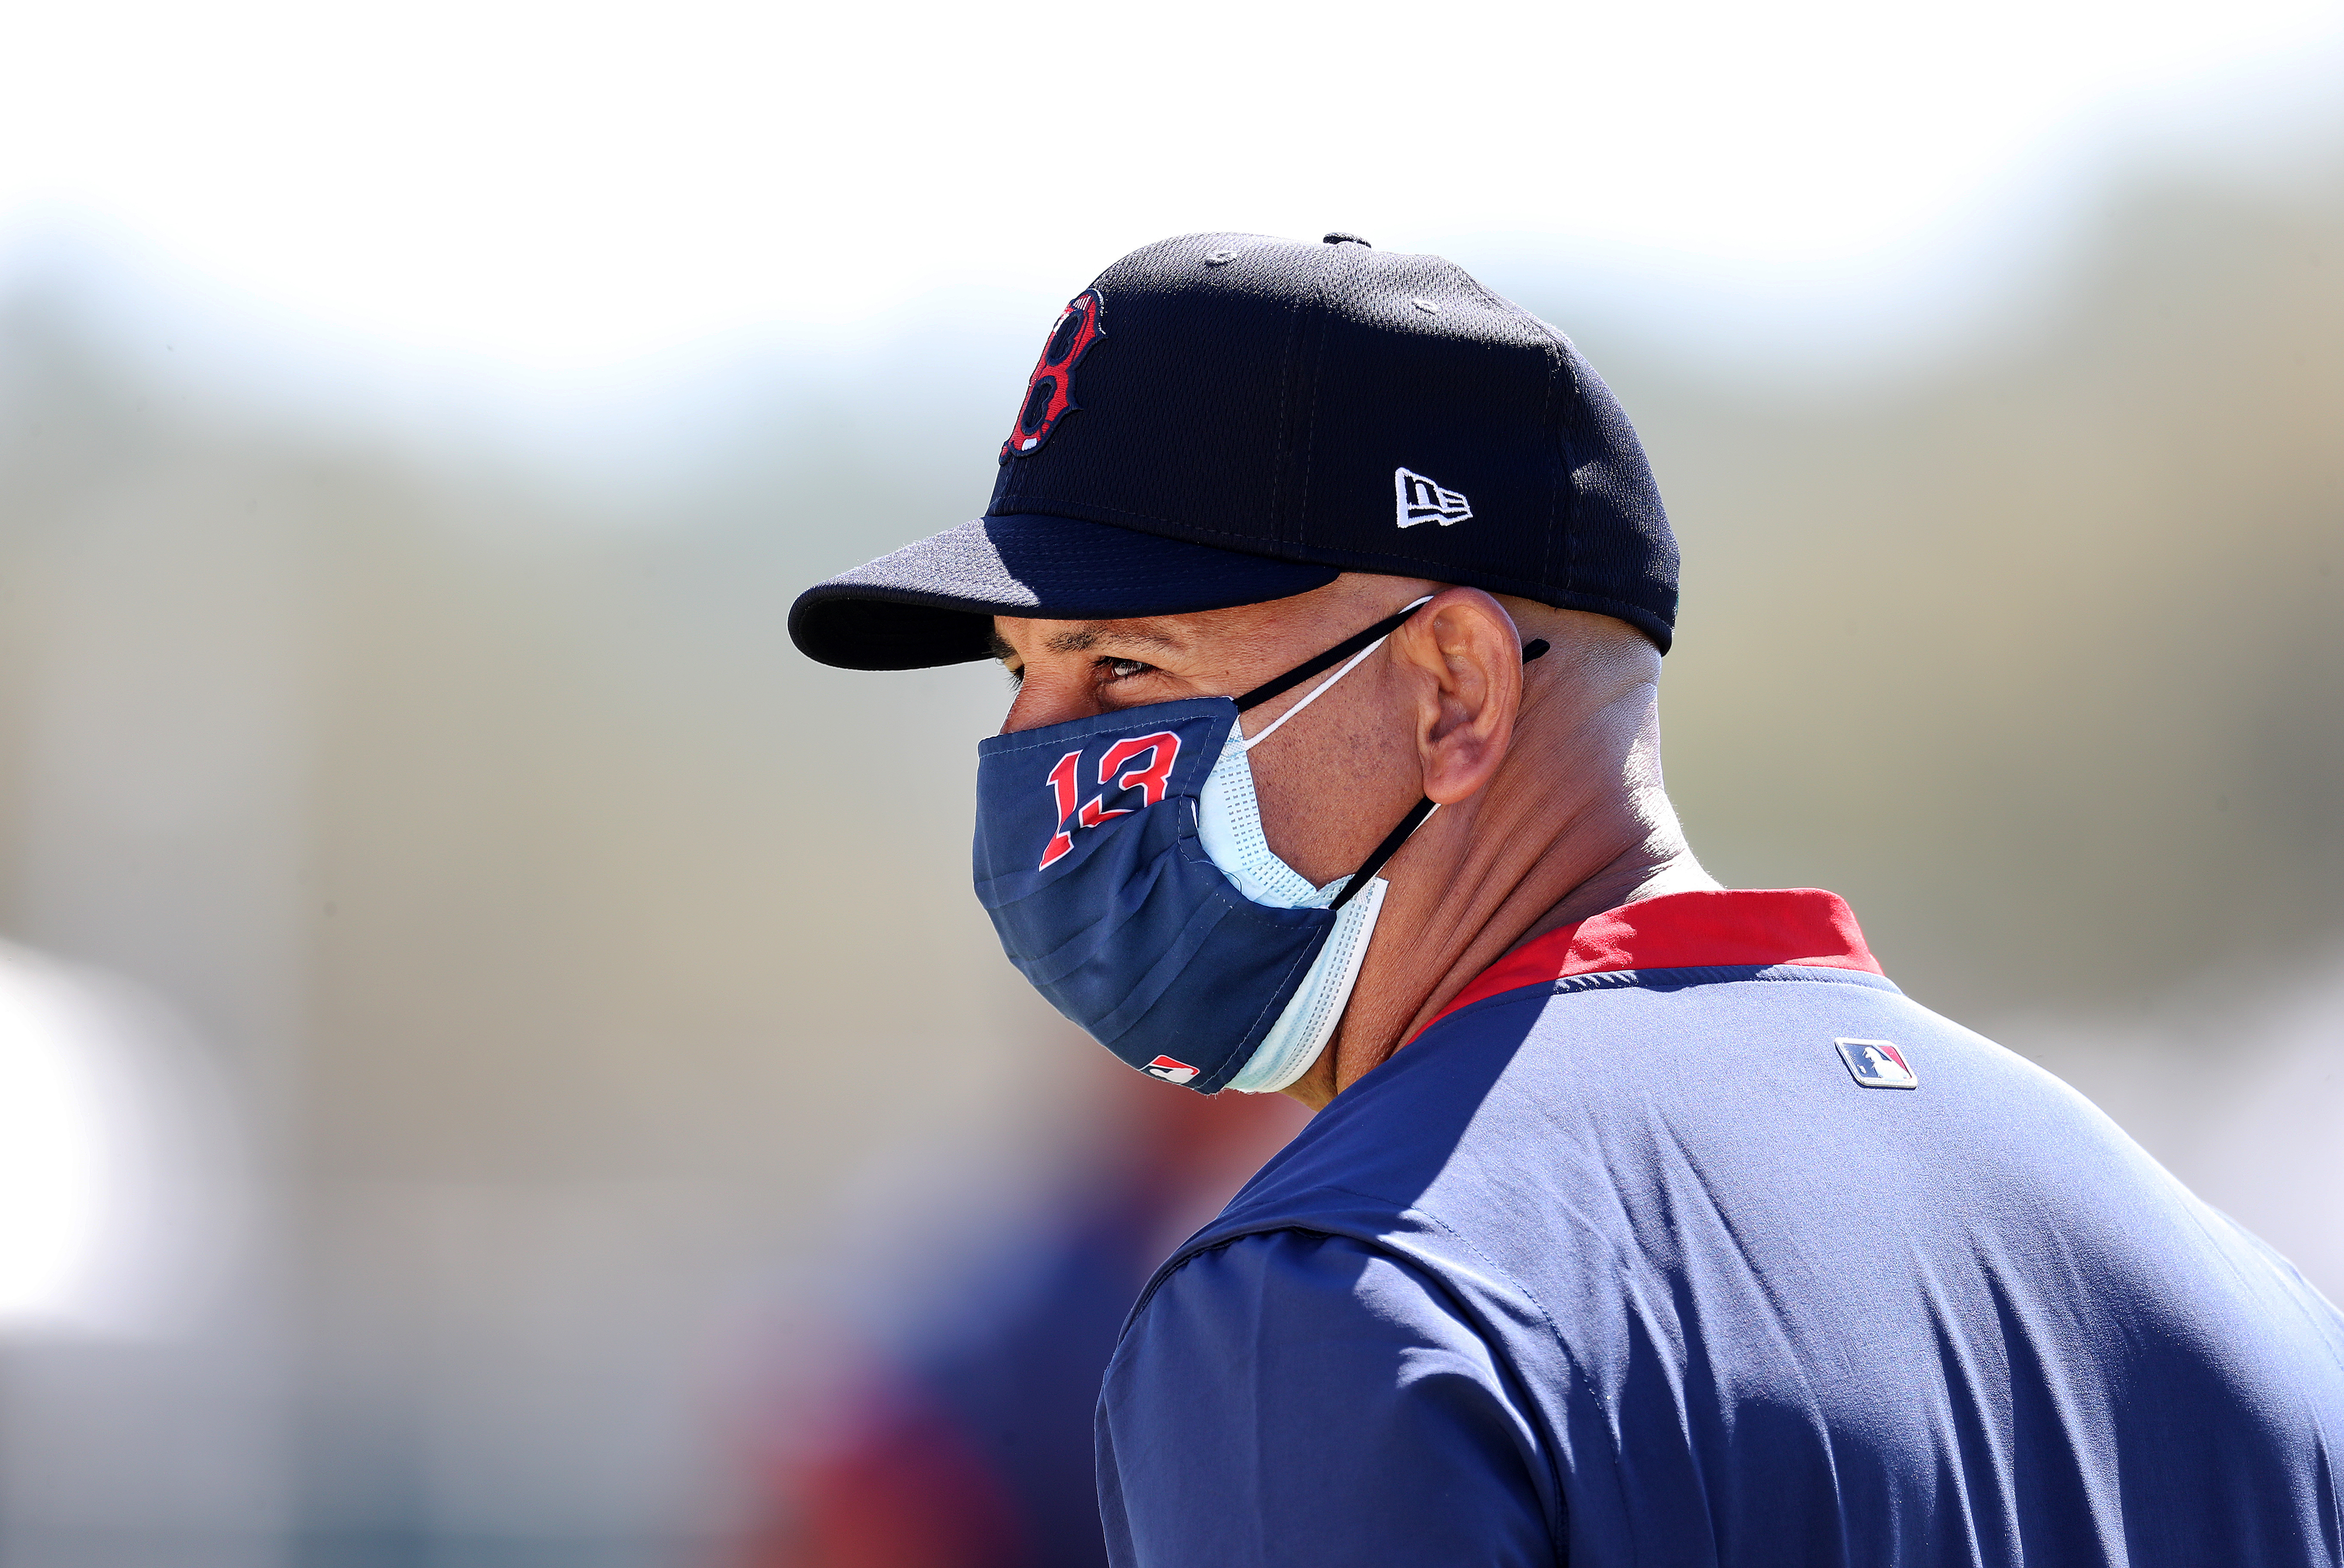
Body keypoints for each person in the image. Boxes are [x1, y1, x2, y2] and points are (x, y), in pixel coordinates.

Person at [788, 232, 2344, 1565]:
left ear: (1454, 691)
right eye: (1017, 678)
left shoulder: (1336, 1294)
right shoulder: (2238, 1303)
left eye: (1125, 664)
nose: (1030, 759)